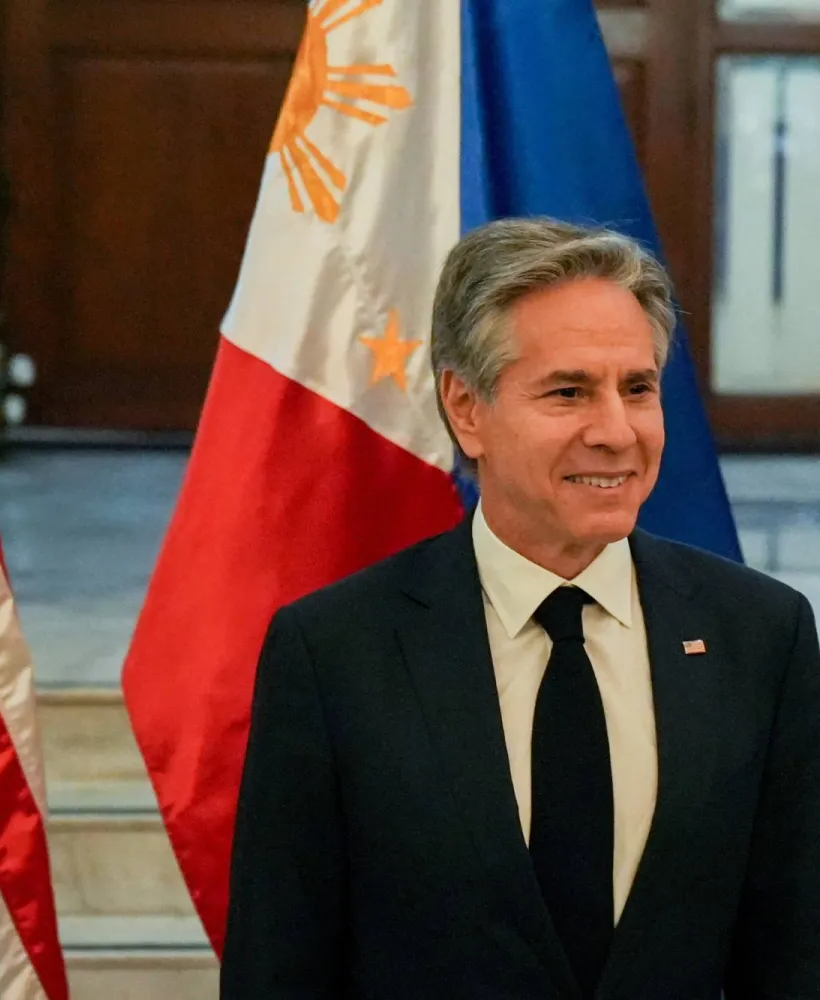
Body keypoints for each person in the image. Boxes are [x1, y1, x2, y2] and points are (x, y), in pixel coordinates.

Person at [221, 218, 820, 999]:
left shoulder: (760, 635)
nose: (616, 432)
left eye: (637, 389)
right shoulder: (335, 652)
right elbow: (280, 968)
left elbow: (795, 960)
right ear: (466, 409)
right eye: (569, 392)